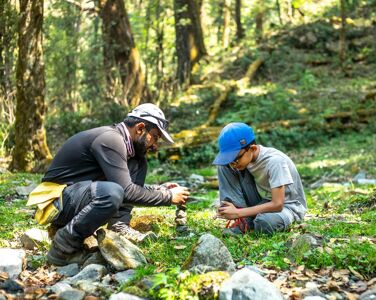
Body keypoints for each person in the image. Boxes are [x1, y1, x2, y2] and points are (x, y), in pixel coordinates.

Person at [27, 103, 190, 266]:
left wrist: (160, 189)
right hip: (55, 202)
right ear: (140, 128)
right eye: (155, 137)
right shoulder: (110, 139)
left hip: (75, 197)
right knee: (112, 193)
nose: (155, 145)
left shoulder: (129, 150)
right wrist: (167, 197)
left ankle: (119, 227)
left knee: (138, 163)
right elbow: (126, 191)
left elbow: (125, 184)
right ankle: (62, 248)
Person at [213, 122, 307, 235]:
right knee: (223, 166)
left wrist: (238, 212)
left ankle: (244, 216)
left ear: (252, 148)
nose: (233, 164)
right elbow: (231, 166)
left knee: (264, 223)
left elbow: (278, 204)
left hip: (287, 207)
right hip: (262, 200)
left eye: (236, 159)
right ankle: (243, 220)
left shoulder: (275, 161)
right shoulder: (245, 160)